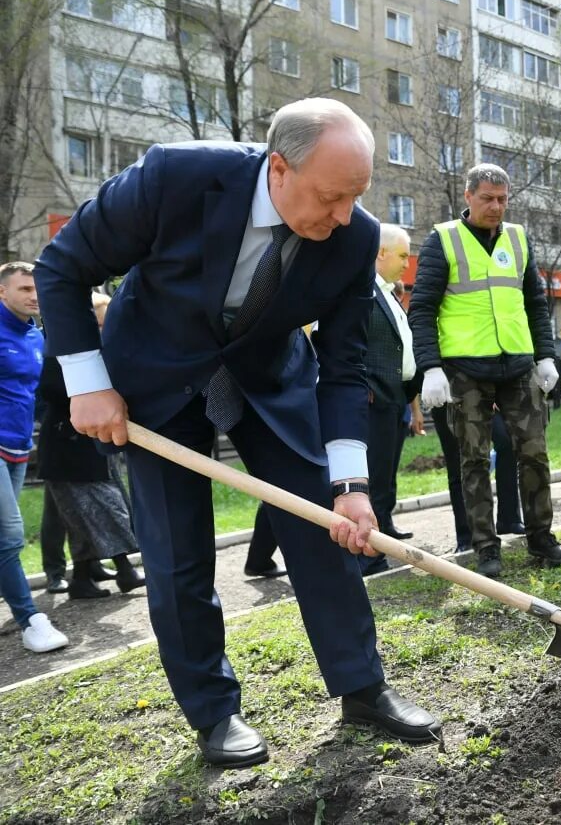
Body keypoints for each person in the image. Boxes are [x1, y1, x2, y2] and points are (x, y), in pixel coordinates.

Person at [35, 98, 441, 768]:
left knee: (325, 528)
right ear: (279, 168)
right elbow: (62, 266)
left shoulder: (354, 236)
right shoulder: (176, 178)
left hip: (268, 383)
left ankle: (364, 687)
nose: (343, 216)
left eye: (357, 197)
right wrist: (87, 382)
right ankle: (215, 712)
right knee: (178, 555)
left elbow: (345, 368)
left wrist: (352, 483)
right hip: (157, 383)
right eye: (332, 196)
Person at [409, 163, 561, 579]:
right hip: (465, 370)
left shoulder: (518, 239)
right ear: (468, 197)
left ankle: (541, 538)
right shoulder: (442, 240)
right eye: (487, 199)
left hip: (517, 366)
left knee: (534, 451)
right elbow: (423, 308)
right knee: (474, 460)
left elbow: (536, 302)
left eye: (502, 199)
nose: (496, 207)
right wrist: (430, 368)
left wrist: (546, 355)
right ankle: (485, 547)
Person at [37, 291, 146, 599]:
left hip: (92, 448)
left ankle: (84, 577)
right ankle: (125, 571)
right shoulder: (63, 350)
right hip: (68, 448)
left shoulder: (100, 350)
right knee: (99, 510)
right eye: (98, 323)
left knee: (85, 514)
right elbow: (51, 390)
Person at [0, 261, 69, 652]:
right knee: (10, 536)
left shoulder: (35, 336)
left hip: (19, 445)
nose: (34, 296)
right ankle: (31, 621)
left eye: (37, 288)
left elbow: (37, 395)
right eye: (24, 289)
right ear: (2, 292)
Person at [359, 224, 423, 570]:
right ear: (380, 253)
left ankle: (382, 536)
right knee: (374, 480)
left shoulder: (388, 293)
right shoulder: (362, 292)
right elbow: (340, 343)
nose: (406, 262)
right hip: (374, 401)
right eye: (402, 255)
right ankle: (369, 557)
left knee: (385, 476)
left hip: (394, 398)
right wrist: (362, 386)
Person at [432, 405, 523, 552]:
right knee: (457, 463)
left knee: (506, 440)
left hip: (481, 392)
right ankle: (466, 535)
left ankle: (509, 518)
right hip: (446, 400)